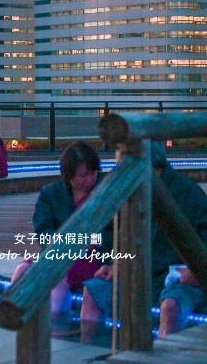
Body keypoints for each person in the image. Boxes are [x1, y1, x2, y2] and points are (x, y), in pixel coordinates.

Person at [80, 142, 207, 337]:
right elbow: (115, 233)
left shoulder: (188, 192)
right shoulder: (131, 192)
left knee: (170, 307)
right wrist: (111, 263)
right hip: (139, 273)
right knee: (93, 292)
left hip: (178, 277)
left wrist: (197, 271)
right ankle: (89, 350)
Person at [10, 140, 107, 314]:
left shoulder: (105, 192)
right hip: (57, 252)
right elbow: (43, 230)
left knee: (57, 276)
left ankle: (56, 329)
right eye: (83, 175)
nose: (90, 179)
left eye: (93, 172)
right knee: (22, 271)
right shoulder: (51, 193)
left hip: (92, 258)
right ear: (68, 175)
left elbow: (112, 232)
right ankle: (15, 319)